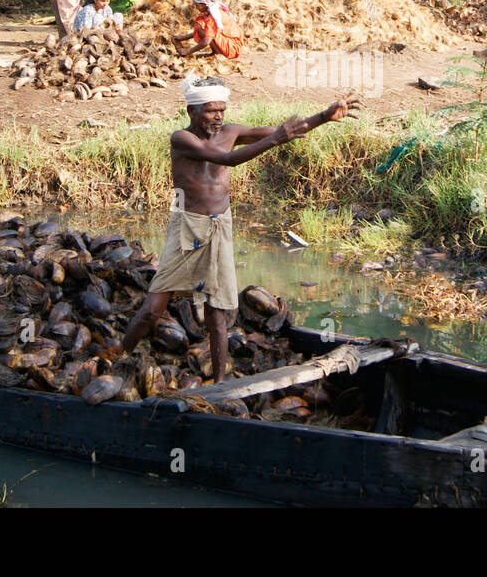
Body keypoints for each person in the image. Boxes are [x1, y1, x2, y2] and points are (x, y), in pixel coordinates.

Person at [111, 76, 361, 381]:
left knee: (218, 313)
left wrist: (324, 116)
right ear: (191, 111)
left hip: (220, 224)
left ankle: (218, 383)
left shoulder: (231, 131)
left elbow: (290, 131)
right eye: (210, 111)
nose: (218, 116)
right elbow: (228, 159)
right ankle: (118, 355)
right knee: (154, 307)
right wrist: (276, 139)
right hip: (188, 226)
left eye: (222, 110)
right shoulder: (182, 138)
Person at [173, 0, 244, 59]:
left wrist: (188, 51)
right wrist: (181, 38)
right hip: (233, 45)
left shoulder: (213, 17)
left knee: (200, 25)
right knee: (201, 25)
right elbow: (207, 31)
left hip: (232, 48)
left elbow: (207, 41)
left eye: (197, 5)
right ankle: (217, 51)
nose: (196, 8)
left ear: (204, 4)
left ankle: (218, 54)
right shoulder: (213, 12)